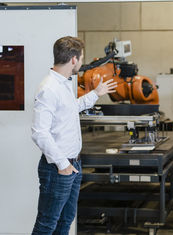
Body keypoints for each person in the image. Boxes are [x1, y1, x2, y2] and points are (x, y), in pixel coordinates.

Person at [31, 36, 117, 235]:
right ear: (73, 60)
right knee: (47, 224)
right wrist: (63, 165)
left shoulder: (63, 84)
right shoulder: (49, 88)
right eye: (81, 58)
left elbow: (71, 109)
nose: (81, 62)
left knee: (65, 221)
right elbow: (39, 133)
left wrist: (96, 93)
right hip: (58, 169)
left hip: (73, 165)